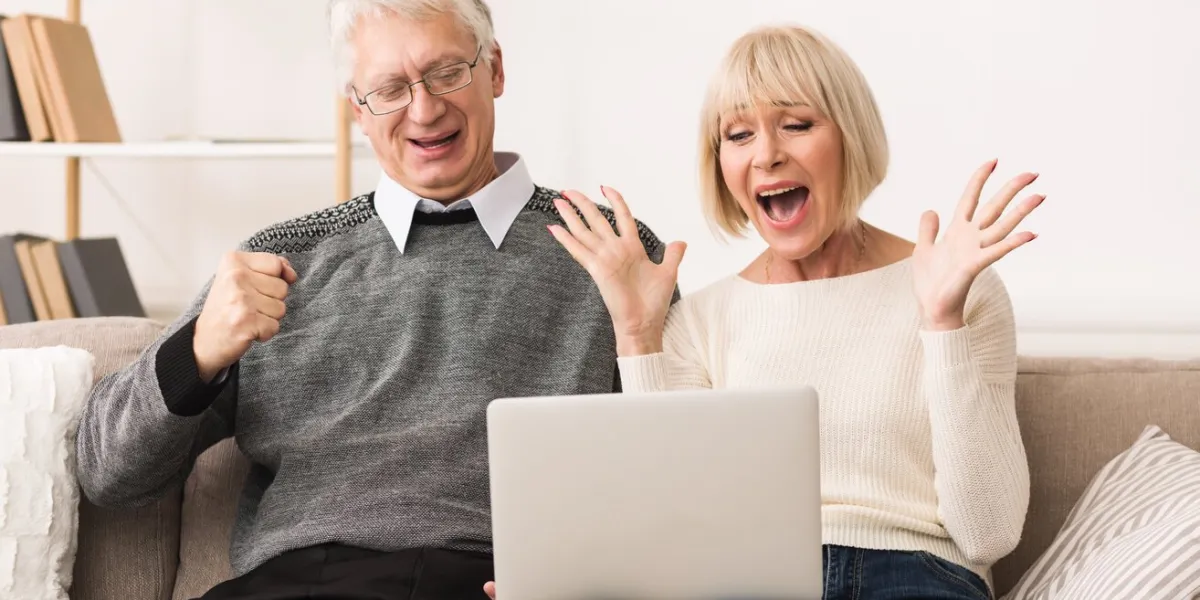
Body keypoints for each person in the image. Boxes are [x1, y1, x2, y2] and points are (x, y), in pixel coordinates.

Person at [73, 1, 673, 598]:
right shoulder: (282, 259)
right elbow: (108, 474)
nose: (425, 110)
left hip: (500, 583)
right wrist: (198, 351)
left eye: (446, 73)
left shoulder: (613, 255)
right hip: (300, 585)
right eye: (389, 89)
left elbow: (677, 480)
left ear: (494, 69)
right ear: (357, 109)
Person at [486, 23, 1038, 600]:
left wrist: (944, 324)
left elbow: (989, 533)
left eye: (796, 125)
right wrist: (638, 334)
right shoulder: (700, 322)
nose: (768, 155)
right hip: (755, 582)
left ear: (850, 137)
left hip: (916, 576)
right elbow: (670, 541)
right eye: (739, 134)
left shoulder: (956, 288)